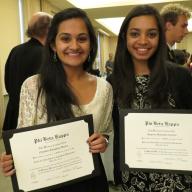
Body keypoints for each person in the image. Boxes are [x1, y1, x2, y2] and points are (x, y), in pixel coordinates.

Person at [0, 8, 113, 192]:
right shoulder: (33, 86)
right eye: (65, 38)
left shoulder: (104, 88)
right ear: (53, 44)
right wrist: (11, 158)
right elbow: (23, 137)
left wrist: (104, 141)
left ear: (92, 44)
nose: (74, 46)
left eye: (82, 38)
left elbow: (105, 131)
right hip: (47, 183)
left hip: (91, 181)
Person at [111, 5, 192, 192]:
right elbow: (116, 133)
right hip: (132, 180)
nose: (143, 41)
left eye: (152, 34)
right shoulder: (114, 81)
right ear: (124, 37)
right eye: (135, 34)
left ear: (160, 37)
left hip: (176, 181)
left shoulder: (180, 76)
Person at [3, 12, 52, 131]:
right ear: (49, 30)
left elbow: (7, 82)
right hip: (36, 120)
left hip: (13, 115)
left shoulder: (15, 50)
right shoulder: (46, 54)